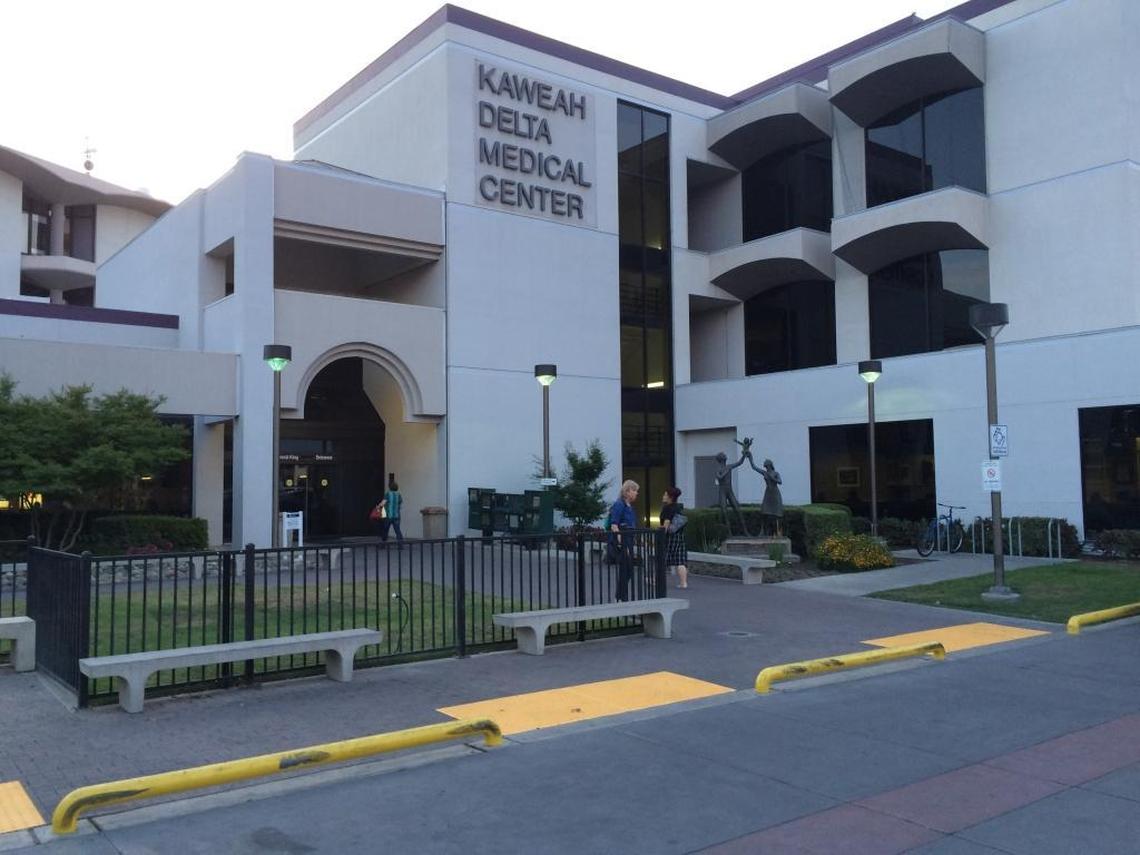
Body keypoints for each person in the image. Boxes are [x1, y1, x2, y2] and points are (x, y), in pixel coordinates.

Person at [607, 479, 639, 602]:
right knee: (626, 568)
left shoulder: (629, 506)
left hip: (628, 540)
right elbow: (614, 524)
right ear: (627, 491)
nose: (636, 493)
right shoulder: (619, 504)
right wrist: (620, 542)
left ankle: (620, 595)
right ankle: (621, 596)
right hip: (623, 541)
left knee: (628, 569)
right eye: (634, 490)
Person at [714, 450, 751, 536]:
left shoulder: (729, 466)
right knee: (724, 512)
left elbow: (739, 462)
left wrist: (744, 455)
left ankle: (745, 532)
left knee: (738, 510)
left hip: (730, 491)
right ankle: (729, 533)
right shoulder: (719, 469)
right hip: (722, 492)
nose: (725, 456)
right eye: (723, 455)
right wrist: (726, 471)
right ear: (721, 459)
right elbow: (719, 477)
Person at [660, 486, 688, 589]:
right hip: (679, 535)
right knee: (680, 560)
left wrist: (662, 534)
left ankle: (656, 580)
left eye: (665, 495)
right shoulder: (679, 507)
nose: (663, 496)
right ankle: (683, 583)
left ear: (670, 497)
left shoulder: (667, 508)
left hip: (670, 537)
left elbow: (666, 523)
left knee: (662, 558)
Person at [749, 457, 784, 536]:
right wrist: (750, 458)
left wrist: (772, 478)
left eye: (766, 465)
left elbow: (780, 482)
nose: (766, 467)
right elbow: (754, 467)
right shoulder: (765, 473)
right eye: (765, 466)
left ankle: (777, 532)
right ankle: (762, 531)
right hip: (768, 493)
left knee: (776, 514)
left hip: (775, 494)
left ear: (769, 465)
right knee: (764, 512)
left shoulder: (775, 473)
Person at [380, 474, 404, 545]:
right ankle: (400, 545)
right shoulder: (398, 495)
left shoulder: (388, 494)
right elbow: (400, 503)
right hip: (396, 515)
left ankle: (383, 544)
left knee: (385, 530)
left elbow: (383, 503)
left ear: (390, 487)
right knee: (397, 530)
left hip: (388, 515)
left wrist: (378, 507)